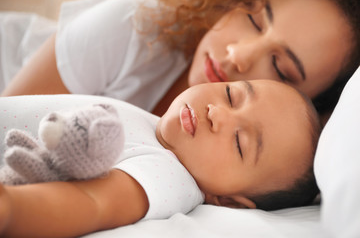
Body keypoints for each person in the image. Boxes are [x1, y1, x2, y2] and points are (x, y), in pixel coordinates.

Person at [0, 79, 321, 237]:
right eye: (231, 95)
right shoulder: (159, 129)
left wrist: (11, 208)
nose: (217, 113)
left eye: (240, 142)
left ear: (231, 203)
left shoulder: (168, 176)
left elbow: (91, 204)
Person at [0, 0, 359, 117]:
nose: (238, 55)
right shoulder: (137, 23)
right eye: (252, 18)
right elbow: (8, 122)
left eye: (281, 69)